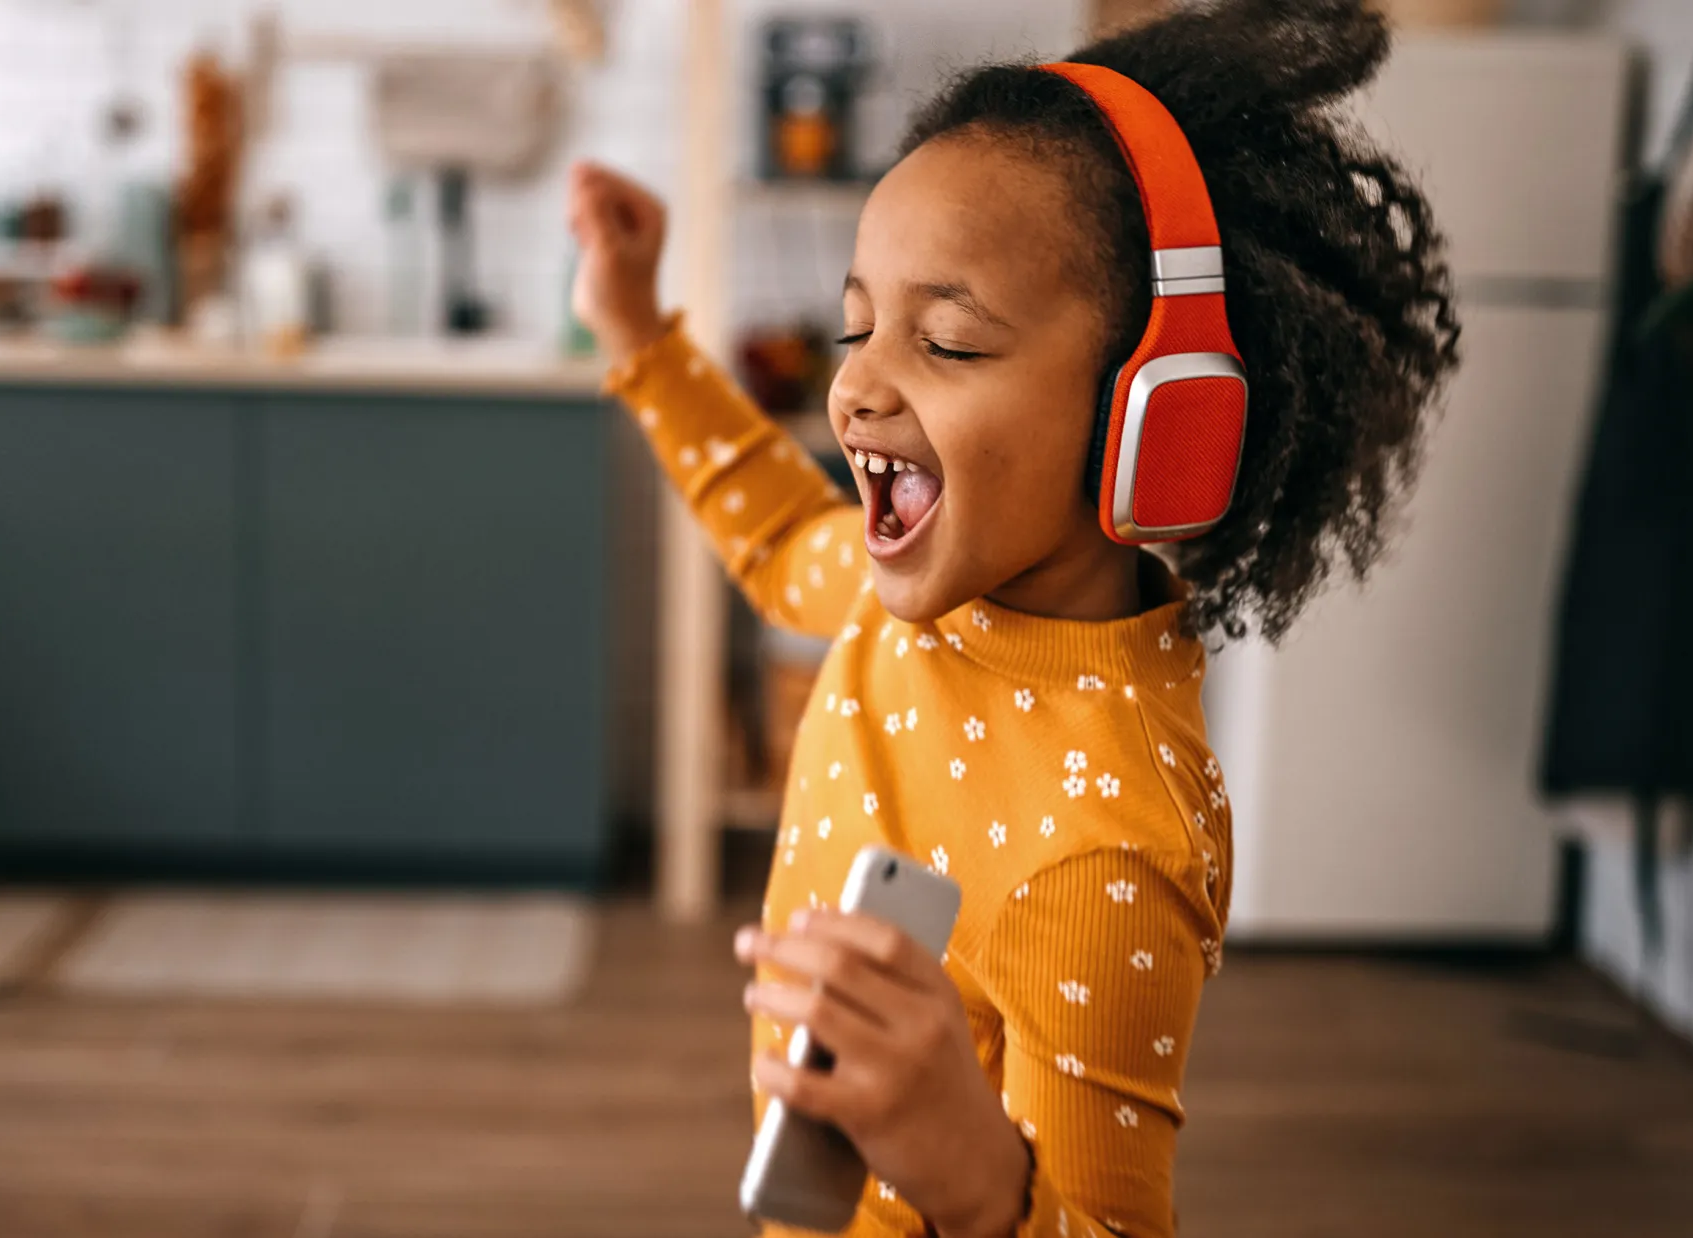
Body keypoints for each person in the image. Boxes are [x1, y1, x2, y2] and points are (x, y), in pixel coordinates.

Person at [567, 0, 1459, 1233]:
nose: (857, 382)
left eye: (945, 341)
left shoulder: (1104, 854)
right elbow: (778, 542)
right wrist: (635, 331)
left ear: (1156, 415)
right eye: (857, 323)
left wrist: (970, 1167)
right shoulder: (916, 613)